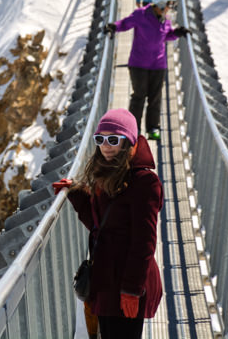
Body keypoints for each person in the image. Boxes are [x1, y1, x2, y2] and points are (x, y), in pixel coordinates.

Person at [52, 108, 163, 339]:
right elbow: (99, 227)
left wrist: (131, 290)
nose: (106, 146)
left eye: (114, 139)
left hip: (127, 283)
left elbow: (144, 242)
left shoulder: (145, 182)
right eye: (100, 139)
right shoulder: (106, 174)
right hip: (106, 280)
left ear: (130, 142)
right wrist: (75, 193)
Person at [104, 0, 190, 140]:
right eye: (169, 4)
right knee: (139, 96)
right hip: (139, 63)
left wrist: (177, 33)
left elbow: (166, 35)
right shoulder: (141, 15)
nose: (170, 8)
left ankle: (152, 128)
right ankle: (133, 128)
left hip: (158, 63)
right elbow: (125, 24)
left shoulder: (165, 18)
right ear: (160, 4)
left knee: (155, 97)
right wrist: (113, 27)